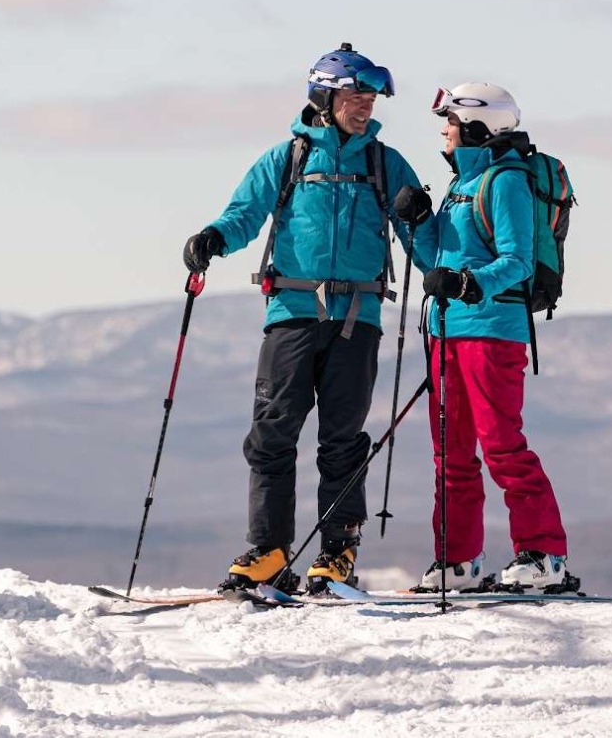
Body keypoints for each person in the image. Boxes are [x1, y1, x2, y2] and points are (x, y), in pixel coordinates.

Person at [182, 43, 429, 594]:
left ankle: (337, 552)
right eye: (353, 95)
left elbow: (426, 248)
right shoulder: (287, 158)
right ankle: (269, 550)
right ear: (324, 95)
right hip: (292, 314)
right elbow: (244, 213)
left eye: (369, 96)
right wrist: (213, 239)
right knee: (273, 433)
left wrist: (426, 221)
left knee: (342, 439)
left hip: (358, 319)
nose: (364, 105)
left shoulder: (385, 164)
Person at [394, 82, 575, 592]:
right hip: (446, 331)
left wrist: (469, 283)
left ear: (476, 127)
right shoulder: (460, 186)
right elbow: (435, 262)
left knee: (500, 446)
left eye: (449, 123)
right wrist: (417, 222)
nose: (443, 133)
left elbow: (516, 262)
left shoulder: (505, 182)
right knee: (449, 453)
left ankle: (544, 555)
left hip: (492, 330)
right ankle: (457, 561)